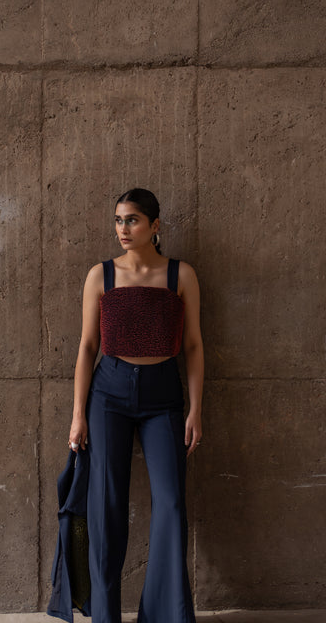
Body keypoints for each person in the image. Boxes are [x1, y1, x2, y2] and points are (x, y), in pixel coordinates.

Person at [68, 187, 204, 623]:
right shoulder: (101, 276)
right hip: (108, 395)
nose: (123, 229)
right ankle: (105, 617)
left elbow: (195, 346)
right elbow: (88, 347)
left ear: (155, 226)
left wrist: (196, 409)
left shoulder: (180, 275)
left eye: (132, 220)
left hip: (164, 394)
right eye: (118, 220)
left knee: (171, 503)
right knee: (105, 504)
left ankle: (165, 615)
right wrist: (77, 416)